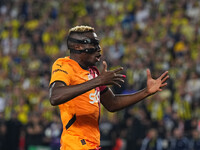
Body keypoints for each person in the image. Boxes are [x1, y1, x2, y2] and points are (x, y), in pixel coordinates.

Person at [49, 25, 169, 150]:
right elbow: (55, 96)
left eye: (98, 44)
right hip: (75, 145)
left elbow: (112, 103)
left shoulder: (93, 72)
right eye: (93, 44)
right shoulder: (64, 65)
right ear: (77, 47)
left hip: (91, 145)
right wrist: (98, 81)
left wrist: (146, 92)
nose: (99, 49)